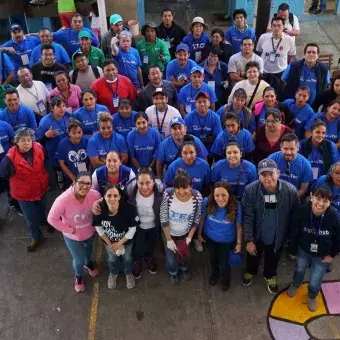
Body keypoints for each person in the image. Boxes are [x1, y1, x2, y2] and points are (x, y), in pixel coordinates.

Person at [242, 158, 298, 293]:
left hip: (278, 237)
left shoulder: (290, 191)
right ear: (258, 176)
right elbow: (248, 217)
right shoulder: (250, 190)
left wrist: (290, 240)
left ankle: (270, 276)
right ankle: (251, 272)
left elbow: (294, 218)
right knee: (252, 258)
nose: (268, 178)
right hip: (257, 236)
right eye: (263, 175)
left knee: (273, 260)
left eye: (271, 174)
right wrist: (249, 240)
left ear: (278, 173)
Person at [287, 186, 340, 311]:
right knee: (299, 269)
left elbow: (338, 238)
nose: (320, 204)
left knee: (316, 277)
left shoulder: (335, 216)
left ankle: (312, 295)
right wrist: (292, 249)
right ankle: (296, 284)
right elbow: (294, 231)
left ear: (330, 202)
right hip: (304, 249)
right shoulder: (302, 210)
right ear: (311, 196)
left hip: (322, 254)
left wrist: (332, 255)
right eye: (318, 198)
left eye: (325, 201)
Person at [47, 172, 101, 292]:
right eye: (81, 183)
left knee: (88, 251)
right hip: (73, 237)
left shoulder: (95, 195)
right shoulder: (62, 200)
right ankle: (79, 276)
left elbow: (102, 207)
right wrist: (69, 230)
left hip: (90, 233)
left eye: (88, 183)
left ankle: (89, 264)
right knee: (78, 259)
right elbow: (51, 218)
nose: (85, 186)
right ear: (74, 183)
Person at [0, 127, 48, 251]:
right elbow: (3, 174)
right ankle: (36, 237)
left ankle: (44, 223)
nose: (26, 143)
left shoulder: (39, 148)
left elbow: (44, 161)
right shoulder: (9, 158)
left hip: (40, 188)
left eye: (29, 140)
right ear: (16, 142)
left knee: (42, 209)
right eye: (23, 140)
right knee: (30, 219)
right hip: (24, 195)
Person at [198, 181, 243, 290]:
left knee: (224, 261)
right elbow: (202, 219)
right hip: (210, 238)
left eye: (224, 195)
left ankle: (225, 277)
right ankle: (215, 272)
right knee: (212, 258)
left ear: (229, 195)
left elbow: (239, 226)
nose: (220, 199)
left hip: (226, 241)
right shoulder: (207, 202)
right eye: (217, 195)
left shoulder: (236, 206)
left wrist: (239, 243)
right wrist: (199, 234)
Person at [160, 169, 203, 284]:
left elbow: (196, 218)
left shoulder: (197, 196)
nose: (181, 191)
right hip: (169, 233)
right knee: (171, 258)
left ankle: (184, 269)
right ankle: (173, 273)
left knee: (184, 255)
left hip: (185, 233)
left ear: (190, 186)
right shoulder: (168, 194)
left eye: (184, 188)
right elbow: (163, 217)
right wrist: (169, 239)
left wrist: (189, 237)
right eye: (177, 188)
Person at [93, 183, 138, 289]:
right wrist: (110, 244)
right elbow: (99, 229)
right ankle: (113, 273)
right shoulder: (99, 211)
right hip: (109, 243)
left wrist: (119, 243)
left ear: (120, 196)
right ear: (103, 196)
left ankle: (128, 273)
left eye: (115, 195)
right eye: (109, 195)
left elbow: (132, 230)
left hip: (126, 242)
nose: (112, 198)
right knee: (112, 259)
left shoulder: (129, 209)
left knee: (128, 258)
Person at [36, 96, 72, 190]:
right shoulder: (45, 122)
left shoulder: (68, 116)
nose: (62, 109)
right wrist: (46, 136)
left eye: (64, 106)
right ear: (52, 108)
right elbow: (37, 142)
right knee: (58, 169)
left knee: (69, 167)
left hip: (69, 150)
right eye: (58, 106)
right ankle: (60, 180)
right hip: (54, 152)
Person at [256, 17, 296, 97]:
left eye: (279, 25)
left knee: (278, 95)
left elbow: (291, 54)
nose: (276, 28)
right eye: (274, 25)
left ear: (283, 26)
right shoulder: (263, 37)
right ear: (271, 26)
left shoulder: (289, 40)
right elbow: (259, 51)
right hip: (265, 71)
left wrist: (285, 65)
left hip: (280, 72)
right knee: (262, 95)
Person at [268, 133, 314, 198]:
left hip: (293, 198)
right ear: (281, 147)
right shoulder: (271, 159)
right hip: (272, 196)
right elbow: (266, 182)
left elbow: (303, 189)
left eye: (292, 149)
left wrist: (289, 200)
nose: (288, 152)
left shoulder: (306, 165)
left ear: (298, 148)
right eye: (285, 149)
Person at [56, 118, 89, 186]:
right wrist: (73, 178)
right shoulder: (63, 144)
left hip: (86, 174)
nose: (77, 136)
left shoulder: (87, 141)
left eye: (79, 132)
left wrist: (89, 174)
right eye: (74, 133)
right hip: (70, 177)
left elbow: (91, 159)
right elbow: (61, 163)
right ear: (69, 133)